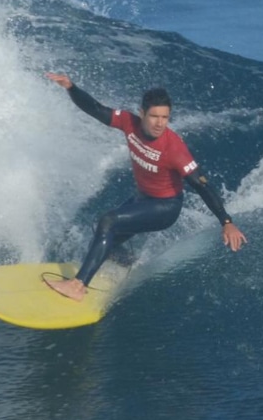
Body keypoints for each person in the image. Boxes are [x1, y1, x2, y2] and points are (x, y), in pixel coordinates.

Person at [43, 72, 246, 301]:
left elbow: (202, 185)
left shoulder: (174, 149)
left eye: (165, 117)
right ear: (142, 114)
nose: (160, 123)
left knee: (108, 221)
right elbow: (96, 109)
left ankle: (78, 285)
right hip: (142, 198)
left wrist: (226, 222)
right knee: (101, 233)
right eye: (154, 116)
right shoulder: (129, 123)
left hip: (165, 208)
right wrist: (71, 87)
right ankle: (126, 262)